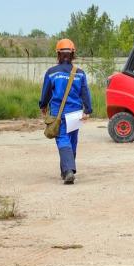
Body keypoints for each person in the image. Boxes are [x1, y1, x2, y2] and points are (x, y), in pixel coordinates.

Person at [39, 39, 92, 185]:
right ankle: (65, 171)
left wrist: (43, 105)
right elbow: (85, 92)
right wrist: (88, 109)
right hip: (75, 113)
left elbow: (46, 92)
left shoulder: (52, 73)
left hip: (58, 113)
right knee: (72, 141)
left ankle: (68, 171)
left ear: (58, 54)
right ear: (73, 54)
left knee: (63, 140)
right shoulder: (79, 73)